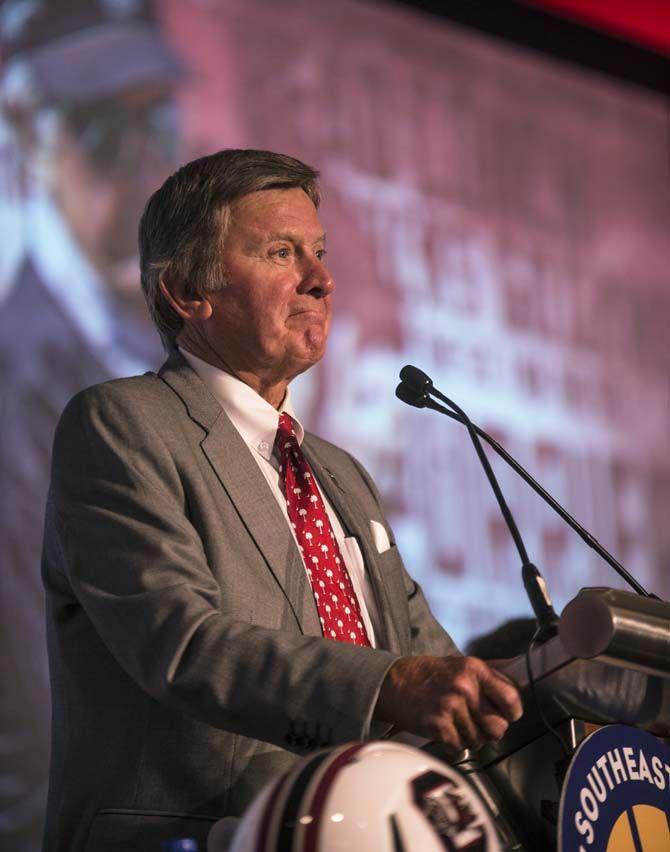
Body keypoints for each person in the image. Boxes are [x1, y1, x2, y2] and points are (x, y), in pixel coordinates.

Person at [42, 149, 522, 851]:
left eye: (320, 253)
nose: (322, 280)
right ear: (185, 291)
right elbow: (182, 643)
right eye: (281, 252)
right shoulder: (123, 425)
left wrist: (546, 687)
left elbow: (430, 665)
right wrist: (389, 684)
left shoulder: (341, 475)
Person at [0, 3, 182, 848]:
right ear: (32, 138)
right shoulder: (20, 377)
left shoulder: (163, 338)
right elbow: (35, 714)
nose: (143, 165)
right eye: (104, 134)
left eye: (156, 125)